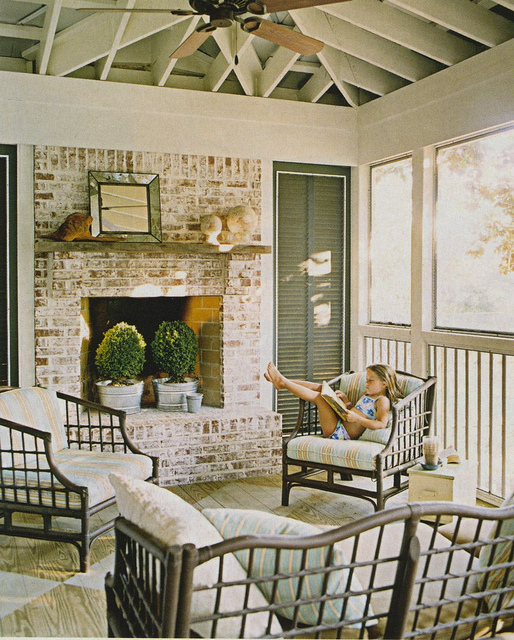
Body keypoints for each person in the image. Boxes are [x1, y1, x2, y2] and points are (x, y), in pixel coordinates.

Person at [264, 362, 401, 440]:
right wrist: (347, 403)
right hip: (340, 422)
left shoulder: (382, 401)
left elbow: (381, 424)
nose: (366, 383)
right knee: (322, 388)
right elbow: (359, 410)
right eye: (366, 380)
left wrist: (357, 419)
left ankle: (282, 382)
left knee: (319, 398)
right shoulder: (367, 394)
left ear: (385, 383)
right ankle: (282, 382)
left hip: (340, 433)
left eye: (371, 380)